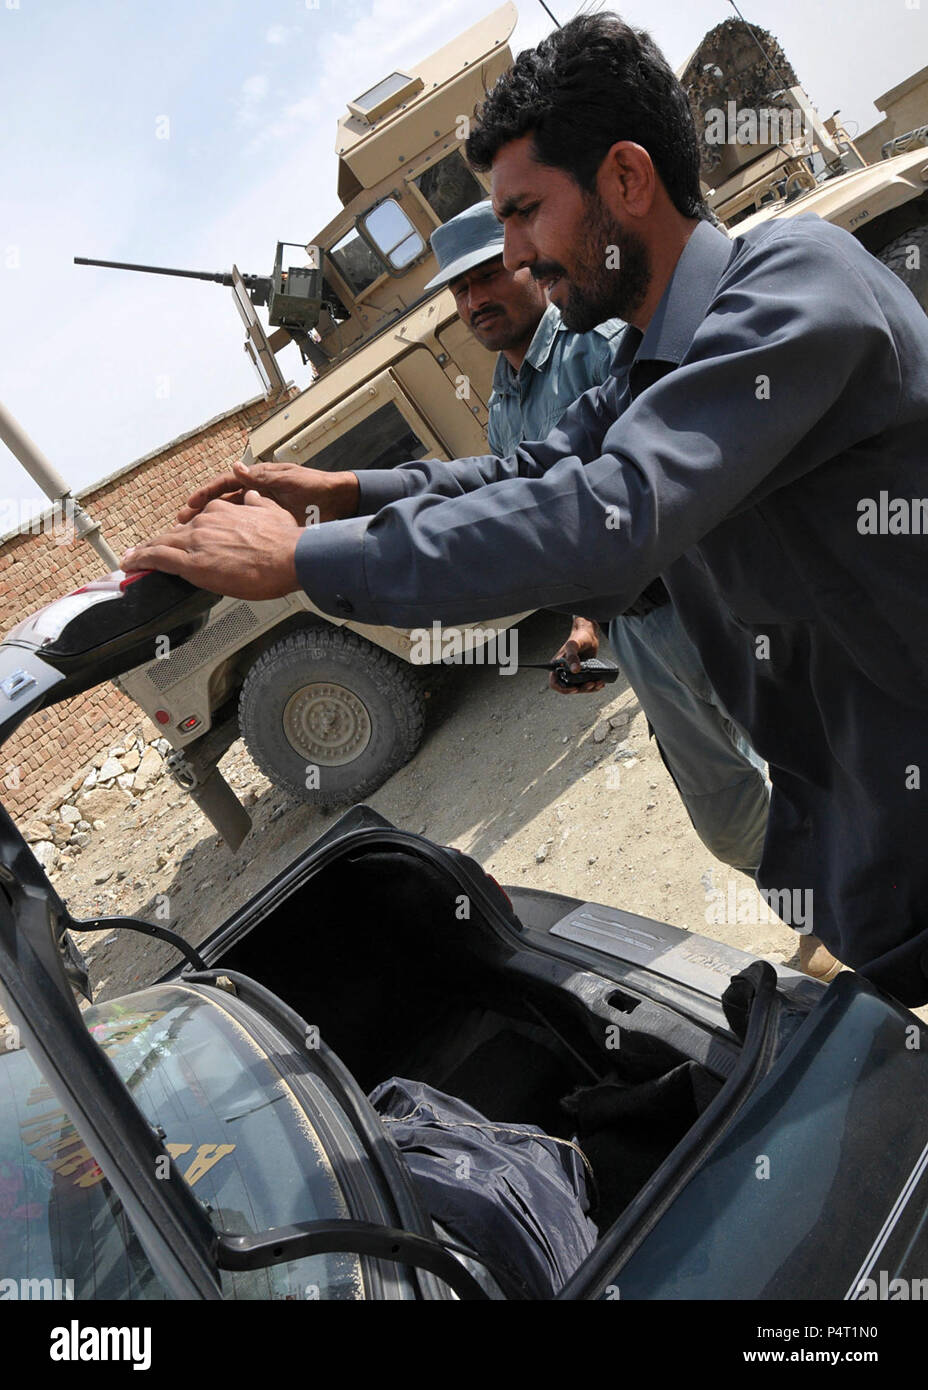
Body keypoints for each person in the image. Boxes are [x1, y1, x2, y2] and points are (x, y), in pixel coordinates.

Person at [121, 14, 928, 1005]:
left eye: (523, 212)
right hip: (876, 844)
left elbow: (603, 512)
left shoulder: (793, 288)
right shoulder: (651, 362)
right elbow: (532, 471)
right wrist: (337, 494)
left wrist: (306, 562)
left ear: (626, 180)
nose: (514, 253)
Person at [428, 198, 771, 882]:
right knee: (727, 816)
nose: (473, 301)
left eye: (486, 276)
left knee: (801, 759)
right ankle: (824, 921)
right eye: (459, 291)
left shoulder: (595, 340)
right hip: (634, 634)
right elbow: (543, 521)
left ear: (525, 262)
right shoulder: (502, 399)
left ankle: (866, 921)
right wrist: (585, 627)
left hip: (699, 591)